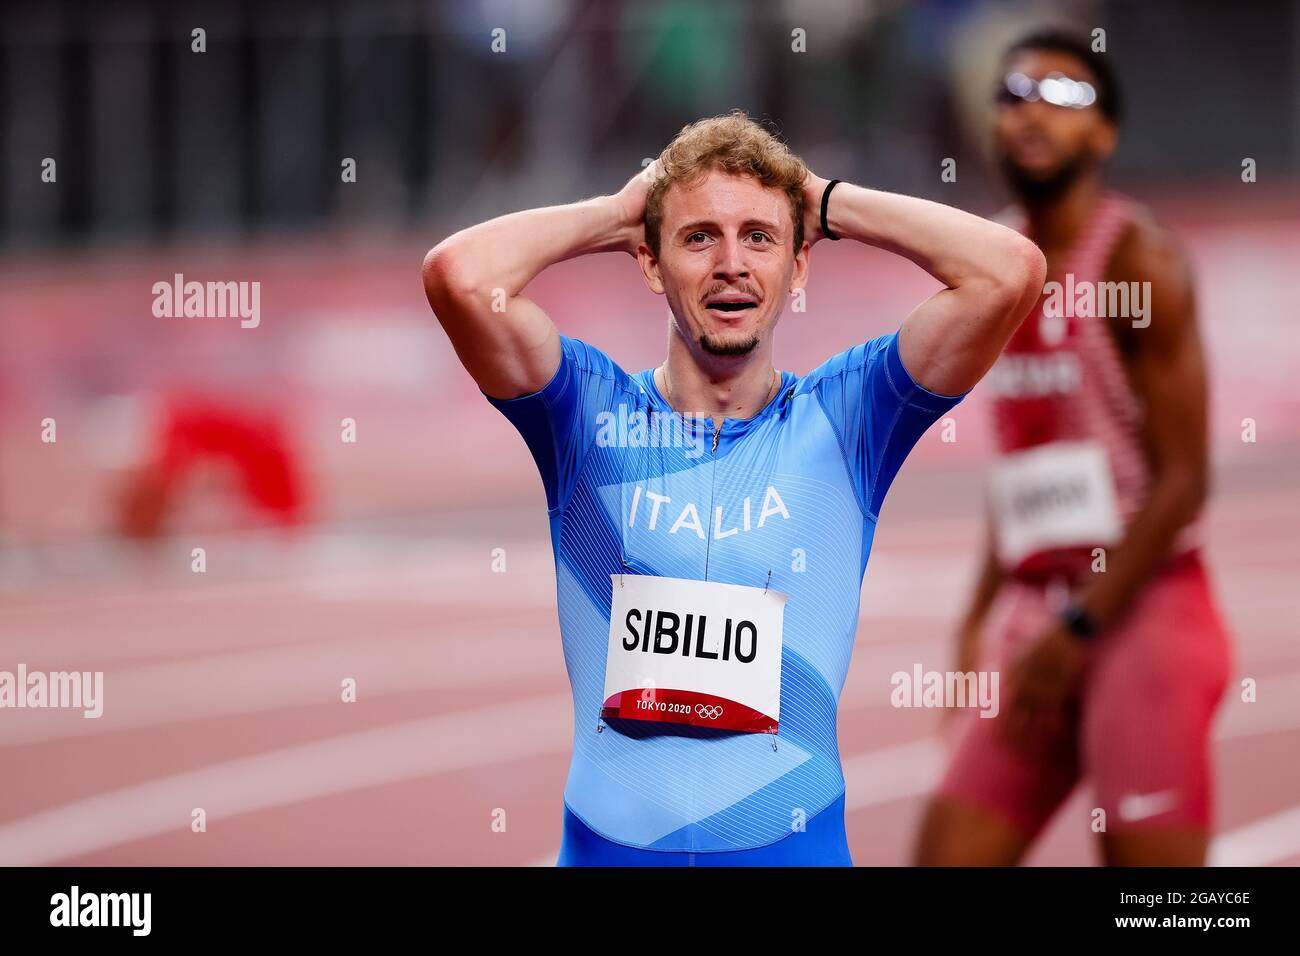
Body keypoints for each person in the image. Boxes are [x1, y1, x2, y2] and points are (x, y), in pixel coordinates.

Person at [423, 110, 1044, 866]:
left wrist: (823, 202)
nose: (731, 264)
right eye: (697, 237)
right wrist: (619, 214)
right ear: (650, 263)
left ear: (799, 266)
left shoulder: (847, 417)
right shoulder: (587, 414)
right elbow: (459, 276)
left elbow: (1010, 272)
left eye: (759, 237)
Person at [914, 29, 1232, 867]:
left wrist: (1085, 624)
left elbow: (1187, 481)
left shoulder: (1139, 260)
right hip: (1038, 613)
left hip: (1143, 610)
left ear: (1105, 136)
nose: (1031, 112)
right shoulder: (992, 266)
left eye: (1063, 97)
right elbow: (1027, 472)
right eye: (1014, 94)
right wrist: (978, 618)